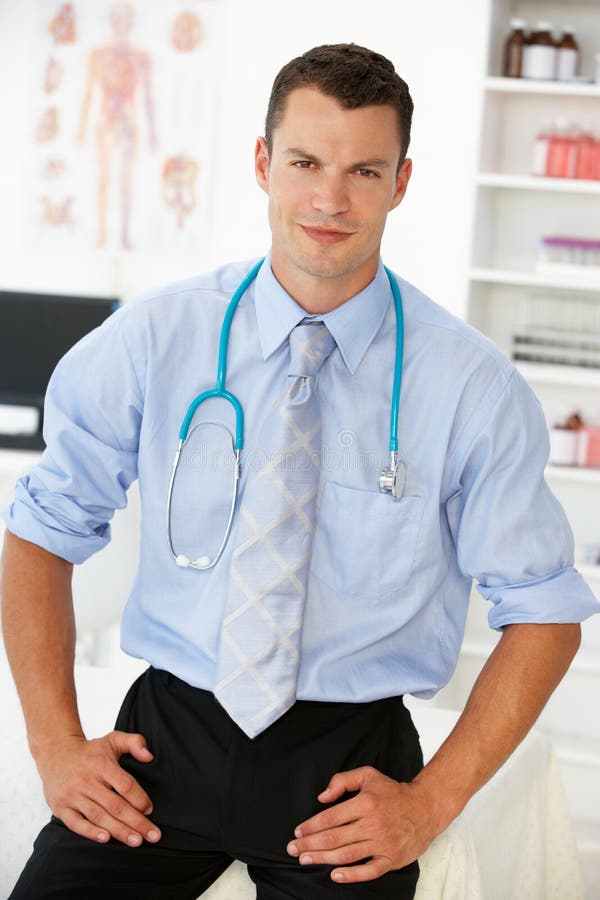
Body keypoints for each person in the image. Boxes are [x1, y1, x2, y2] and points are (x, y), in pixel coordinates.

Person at [2, 43, 598, 900]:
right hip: (166, 742)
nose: (330, 198)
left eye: (364, 170)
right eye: (306, 162)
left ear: (401, 183)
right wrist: (55, 744)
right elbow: (39, 530)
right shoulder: (156, 337)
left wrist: (430, 802)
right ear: (262, 163)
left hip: (344, 767)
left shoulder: (471, 387)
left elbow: (546, 613)